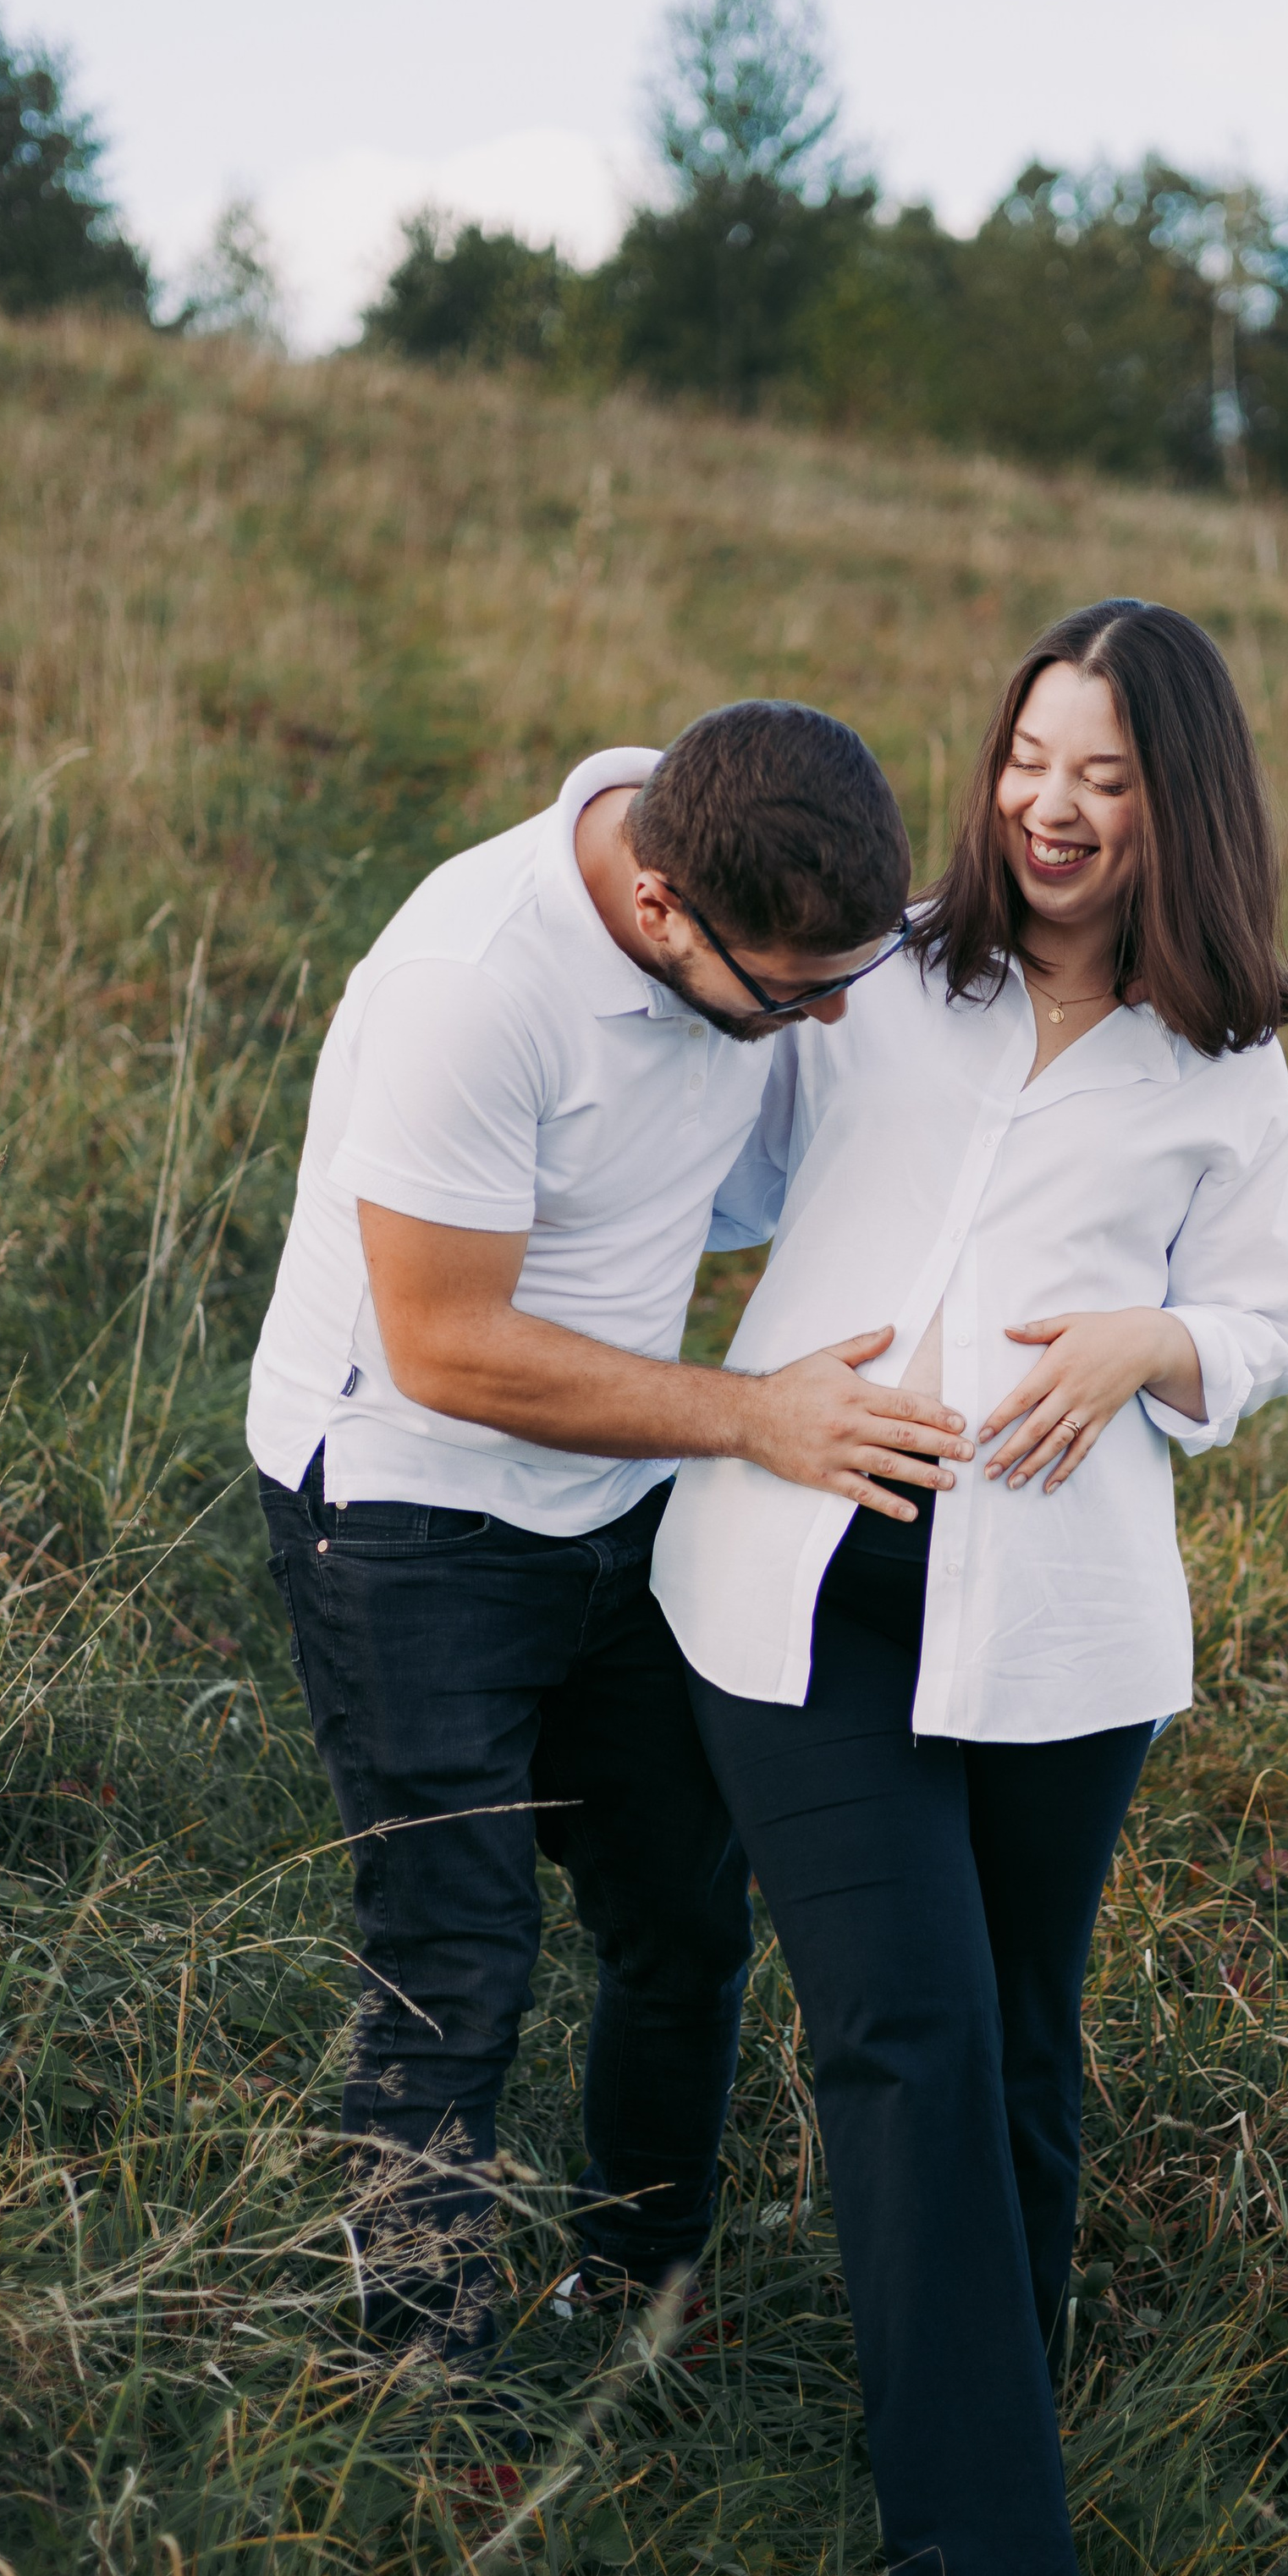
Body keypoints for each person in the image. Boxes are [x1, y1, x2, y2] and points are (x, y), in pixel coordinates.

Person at [653, 603, 1288, 2576]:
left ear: (1177, 806)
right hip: (803, 1573)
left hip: (1056, 1620)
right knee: (914, 2030)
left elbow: (1271, 1322)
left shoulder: (1219, 1060)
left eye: (1108, 778)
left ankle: (987, 2418)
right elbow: (703, 1127)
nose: (1053, 805)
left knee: (1024, 2040)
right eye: (1034, 757)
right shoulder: (886, 974)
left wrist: (1156, 1342)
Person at [246, 702, 973, 2365]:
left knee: (683, 1911)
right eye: (796, 995)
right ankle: (416, 2381)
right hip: (408, 1511)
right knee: (459, 1949)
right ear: (658, 912)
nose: (831, 1017)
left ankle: (636, 2283)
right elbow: (446, 1343)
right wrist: (752, 1413)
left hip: (612, 1498)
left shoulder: (751, 855)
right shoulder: (473, 988)